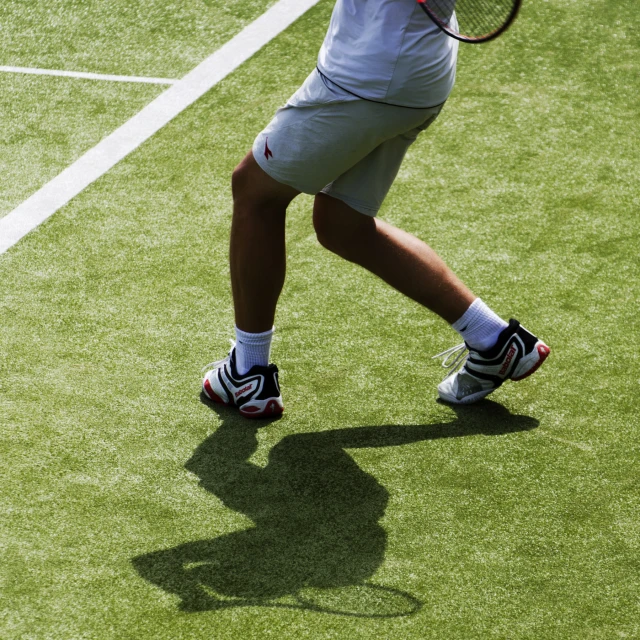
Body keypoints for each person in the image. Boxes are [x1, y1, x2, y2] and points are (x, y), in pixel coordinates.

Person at [202, 0, 549, 417]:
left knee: (256, 193)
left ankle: (247, 371)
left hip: (367, 75)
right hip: (421, 74)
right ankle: (495, 340)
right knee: (342, 224)